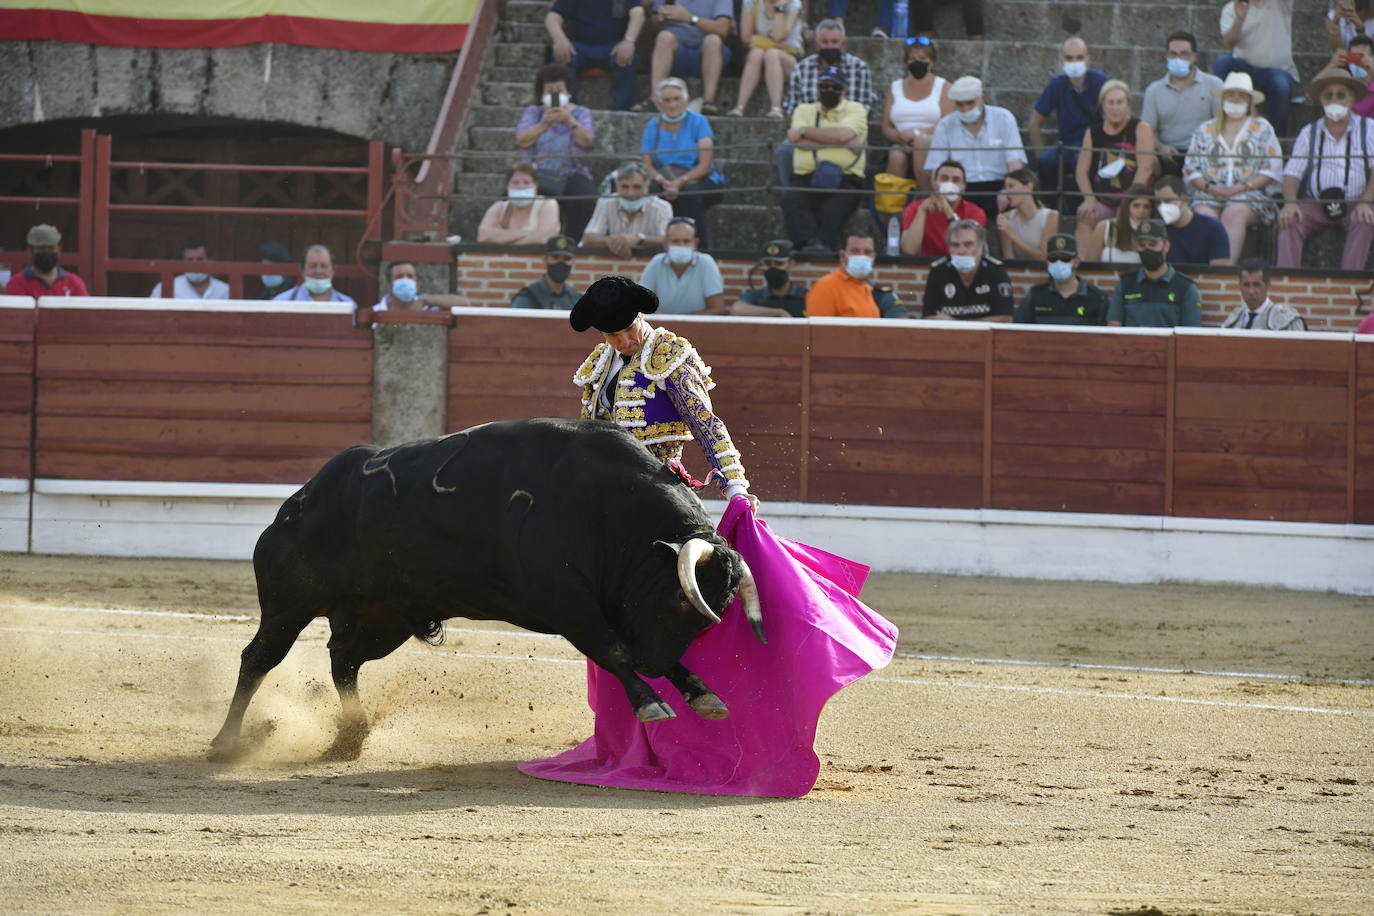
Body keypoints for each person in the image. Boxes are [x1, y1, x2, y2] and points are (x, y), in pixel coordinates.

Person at [570, 275, 755, 505]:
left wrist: (735, 487)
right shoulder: (600, 362)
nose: (625, 342)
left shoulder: (668, 355)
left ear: (641, 316)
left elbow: (704, 423)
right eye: (613, 336)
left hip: (658, 487)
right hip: (603, 485)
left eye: (630, 329)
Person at [1277, 68, 1374, 272]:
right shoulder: (1309, 132)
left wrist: (1366, 201)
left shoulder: (1369, 128)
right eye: (1329, 95)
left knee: (1365, 220)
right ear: (1321, 99)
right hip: (1316, 202)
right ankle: (1285, 284)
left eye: (1341, 94)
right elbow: (1292, 173)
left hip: (1356, 201)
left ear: (1352, 98)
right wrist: (1290, 203)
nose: (1334, 99)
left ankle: (1350, 285)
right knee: (1289, 220)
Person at [1183, 71, 1283, 266]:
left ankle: (1223, 274)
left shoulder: (1262, 128)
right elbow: (1191, 167)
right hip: (1210, 193)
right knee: (1204, 216)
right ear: (1223, 99)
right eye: (1230, 95)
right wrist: (1210, 188)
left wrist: (1241, 187)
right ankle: (1202, 272)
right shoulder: (1205, 129)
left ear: (1249, 100)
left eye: (1241, 95)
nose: (1235, 99)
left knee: (1234, 213)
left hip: (1250, 194)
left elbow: (1272, 168)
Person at [775, 20, 877, 184]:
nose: (830, 47)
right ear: (816, 44)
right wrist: (824, 137)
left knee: (863, 148)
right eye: (825, 42)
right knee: (784, 152)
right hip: (810, 130)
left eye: (834, 42)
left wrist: (838, 136)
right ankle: (793, 195)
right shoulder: (802, 68)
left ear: (843, 44)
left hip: (848, 131)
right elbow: (790, 109)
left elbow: (865, 111)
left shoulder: (859, 68)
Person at [780, 66, 868, 253]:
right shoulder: (803, 109)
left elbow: (841, 135)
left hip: (847, 178)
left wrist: (805, 131)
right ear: (817, 87)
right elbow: (798, 142)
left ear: (844, 90)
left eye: (835, 87)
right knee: (791, 199)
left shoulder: (856, 109)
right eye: (825, 85)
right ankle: (807, 246)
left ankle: (823, 248)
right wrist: (841, 141)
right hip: (807, 175)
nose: (830, 90)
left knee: (833, 208)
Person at [926, 76, 1027, 227]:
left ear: (982, 98)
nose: (965, 109)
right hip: (961, 187)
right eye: (960, 105)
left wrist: (1009, 190)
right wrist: (944, 194)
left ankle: (1007, 251)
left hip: (999, 184)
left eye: (970, 103)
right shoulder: (945, 125)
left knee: (1016, 201)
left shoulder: (1004, 118)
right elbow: (936, 168)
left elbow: (1015, 162)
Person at [640, 77, 726, 248]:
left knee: (689, 194)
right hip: (664, 179)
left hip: (699, 179)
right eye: (667, 100)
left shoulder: (699, 122)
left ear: (686, 100)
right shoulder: (653, 125)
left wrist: (679, 182)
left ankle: (700, 250)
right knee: (649, 192)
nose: (672, 105)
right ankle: (653, 245)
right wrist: (660, 179)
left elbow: (705, 165)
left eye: (677, 99)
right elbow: (647, 164)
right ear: (659, 103)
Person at [515, 64, 598, 240]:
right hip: (538, 172)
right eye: (549, 90)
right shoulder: (533, 113)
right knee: (536, 191)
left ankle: (573, 242)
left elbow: (588, 141)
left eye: (559, 90)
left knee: (584, 196)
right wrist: (544, 124)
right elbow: (522, 140)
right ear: (541, 94)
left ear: (568, 92)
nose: (554, 95)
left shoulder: (581, 112)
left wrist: (569, 120)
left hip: (574, 172)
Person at [1074, 80, 1156, 257]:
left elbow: (1146, 168)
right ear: (1102, 106)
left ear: (1128, 104)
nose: (1115, 107)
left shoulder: (1141, 128)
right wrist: (1089, 199)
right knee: (1085, 215)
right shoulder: (1092, 132)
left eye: (1120, 102)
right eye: (1110, 103)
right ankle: (1086, 270)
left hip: (1134, 200)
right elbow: (1081, 171)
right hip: (1102, 199)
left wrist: (1127, 203)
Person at [1028, 37, 1109, 206]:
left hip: (1092, 145)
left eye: (1079, 57)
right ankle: (1049, 208)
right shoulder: (1057, 85)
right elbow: (1035, 122)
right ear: (1061, 59)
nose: (1074, 62)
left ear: (1088, 59)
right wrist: (1039, 153)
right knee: (1046, 162)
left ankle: (1084, 207)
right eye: (1069, 58)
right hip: (1065, 145)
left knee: (1083, 162)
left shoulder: (1101, 82)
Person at [1143, 31, 1224, 177]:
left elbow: (1223, 124)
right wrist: (1161, 147)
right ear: (1166, 56)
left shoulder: (1215, 85)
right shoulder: (1154, 90)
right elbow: (1147, 130)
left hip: (1204, 156)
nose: (1178, 58)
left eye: (1184, 54)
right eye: (1173, 54)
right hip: (1169, 157)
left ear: (1195, 57)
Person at [1214, 0, 1296, 138]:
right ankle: (1220, 127)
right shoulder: (1231, 8)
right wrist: (1239, 20)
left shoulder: (1280, 3)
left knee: (1281, 84)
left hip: (1276, 71)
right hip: (1244, 70)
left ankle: (1276, 141)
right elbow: (1228, 43)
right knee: (1222, 62)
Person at [637, 0, 735, 115]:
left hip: (707, 54)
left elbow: (722, 29)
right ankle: (655, 99)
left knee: (713, 40)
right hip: (675, 53)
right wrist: (658, 19)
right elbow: (652, 24)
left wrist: (689, 18)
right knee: (664, 36)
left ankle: (708, 102)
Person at [545, 0, 645, 111]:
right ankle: (560, 108)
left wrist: (629, 41)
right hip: (579, 48)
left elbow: (638, 12)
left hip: (613, 48)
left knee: (628, 58)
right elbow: (552, 17)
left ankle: (623, 111)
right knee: (559, 58)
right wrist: (559, 39)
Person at [880, 36, 952, 187]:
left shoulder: (944, 86)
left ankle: (925, 197)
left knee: (921, 142)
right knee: (896, 157)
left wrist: (917, 134)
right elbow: (886, 127)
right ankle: (893, 206)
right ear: (906, 62)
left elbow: (948, 122)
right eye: (912, 58)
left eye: (922, 58)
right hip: (902, 142)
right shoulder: (895, 87)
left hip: (932, 141)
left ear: (931, 62)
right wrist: (899, 137)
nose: (916, 62)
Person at [1106, 218, 1202, 327]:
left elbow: (1190, 335)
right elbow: (1113, 328)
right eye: (1142, 245)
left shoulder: (1185, 287)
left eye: (1153, 244)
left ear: (1166, 246)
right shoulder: (1125, 284)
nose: (1147, 250)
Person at [920, 220, 1014, 321]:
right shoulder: (938, 271)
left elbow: (1006, 319)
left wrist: (955, 324)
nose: (961, 251)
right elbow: (929, 317)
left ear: (981, 248)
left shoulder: (995, 271)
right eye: (955, 245)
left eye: (968, 244)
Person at [581, 162, 675, 258]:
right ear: (617, 186)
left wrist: (639, 239)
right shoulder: (605, 202)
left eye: (637, 187)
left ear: (647, 187)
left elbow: (669, 241)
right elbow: (588, 238)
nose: (630, 193)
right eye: (625, 187)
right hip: (612, 267)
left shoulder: (662, 207)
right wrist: (613, 242)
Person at [805, 231, 905, 318]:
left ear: (873, 257)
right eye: (855, 251)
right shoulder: (825, 287)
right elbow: (817, 334)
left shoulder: (867, 288)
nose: (862, 256)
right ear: (842, 256)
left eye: (867, 252)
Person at [1014, 233, 1109, 325]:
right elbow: (1018, 332)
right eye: (1053, 259)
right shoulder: (1035, 296)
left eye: (1065, 259)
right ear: (1047, 263)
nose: (1059, 263)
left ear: (1076, 262)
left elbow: (1105, 336)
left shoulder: (1097, 298)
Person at [898, 158, 986, 257]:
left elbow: (965, 250)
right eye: (944, 178)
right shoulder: (915, 208)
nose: (950, 183)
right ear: (934, 183)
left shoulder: (975, 212)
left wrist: (948, 211)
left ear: (963, 187)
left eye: (956, 180)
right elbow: (910, 250)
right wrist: (922, 212)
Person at [638, 216, 726, 314]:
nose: (681, 245)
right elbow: (640, 305)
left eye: (686, 241)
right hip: (661, 328)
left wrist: (682, 323)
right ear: (665, 244)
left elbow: (718, 309)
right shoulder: (656, 262)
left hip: (696, 328)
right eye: (676, 241)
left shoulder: (706, 262)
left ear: (695, 244)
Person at [731, 0, 803, 118]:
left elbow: (778, 35)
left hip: (789, 60)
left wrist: (779, 9)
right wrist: (772, 42)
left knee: (771, 54)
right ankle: (739, 107)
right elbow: (745, 38)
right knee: (756, 53)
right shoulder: (751, 2)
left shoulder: (793, 3)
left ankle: (776, 108)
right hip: (760, 60)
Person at [477, 163, 562, 246]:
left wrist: (506, 240)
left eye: (526, 182)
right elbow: (483, 236)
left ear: (535, 187)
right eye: (515, 182)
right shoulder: (499, 207)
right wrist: (531, 234)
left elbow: (544, 238)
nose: (521, 186)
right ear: (507, 186)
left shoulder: (547, 204)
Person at [1154, 175, 1230, 265]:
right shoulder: (1157, 231)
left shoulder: (1212, 228)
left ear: (1185, 199)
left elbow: (1219, 273)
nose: (1162, 207)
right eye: (1158, 202)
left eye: (1168, 201)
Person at [728, 239, 809, 317]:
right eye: (767, 263)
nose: (772, 268)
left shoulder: (805, 296)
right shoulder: (756, 296)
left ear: (791, 264)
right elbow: (736, 309)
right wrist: (778, 312)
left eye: (779, 263)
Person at [1220, 258, 1306, 330]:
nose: (1251, 291)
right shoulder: (1233, 320)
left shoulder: (1286, 319)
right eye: (1246, 285)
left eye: (1256, 285)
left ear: (1267, 285)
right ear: (1240, 286)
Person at [5, 224, 88, 298]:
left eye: (51, 248)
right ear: (30, 251)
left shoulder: (74, 283)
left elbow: (84, 312)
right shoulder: (17, 283)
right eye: (41, 248)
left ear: (59, 250)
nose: (46, 252)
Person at [997, 166, 1058, 261]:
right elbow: (1008, 258)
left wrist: (1012, 235)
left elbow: (1045, 257)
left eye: (1011, 186)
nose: (1006, 192)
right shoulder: (1006, 218)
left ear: (1029, 187)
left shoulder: (1051, 216)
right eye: (1005, 187)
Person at [1084, 182, 1155, 263]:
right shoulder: (1105, 227)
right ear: (1126, 207)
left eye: (1146, 207)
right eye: (1136, 206)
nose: (1141, 211)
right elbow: (1088, 265)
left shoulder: (1155, 235)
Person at [371, 260, 471, 314]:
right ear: (389, 286)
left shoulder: (428, 309)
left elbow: (465, 303)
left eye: (410, 276)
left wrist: (425, 299)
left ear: (417, 285)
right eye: (399, 276)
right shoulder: (375, 312)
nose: (405, 280)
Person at [512, 235, 582, 309]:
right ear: (545, 260)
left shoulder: (576, 299)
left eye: (566, 258)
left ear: (573, 261)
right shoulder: (528, 298)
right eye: (555, 257)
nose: (560, 263)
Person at [274, 244, 356, 304]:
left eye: (324, 266)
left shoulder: (348, 304)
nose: (318, 271)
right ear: (302, 269)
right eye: (312, 266)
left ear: (333, 270)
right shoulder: (282, 301)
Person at [149, 240, 230, 300]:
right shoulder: (164, 288)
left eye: (200, 259)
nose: (194, 265)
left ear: (210, 261)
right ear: (182, 262)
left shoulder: (225, 290)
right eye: (189, 260)